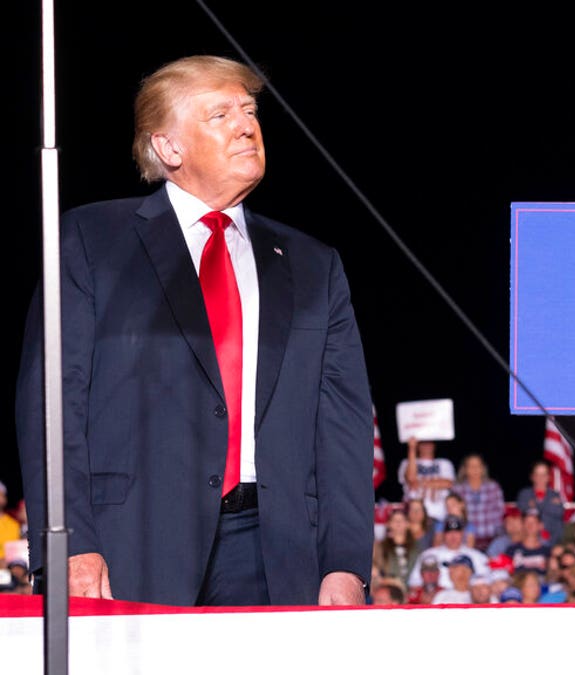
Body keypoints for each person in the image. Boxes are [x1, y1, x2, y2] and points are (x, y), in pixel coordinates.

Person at [15, 55, 374, 606]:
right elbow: (53, 404)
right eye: (220, 114)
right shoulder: (91, 241)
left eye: (250, 111)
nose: (246, 125)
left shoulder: (313, 265)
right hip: (128, 549)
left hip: (280, 559)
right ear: (169, 148)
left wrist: (346, 564)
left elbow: (344, 428)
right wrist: (70, 543)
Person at [451, 453, 506, 552]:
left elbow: (500, 514)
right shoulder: (457, 490)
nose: (475, 469)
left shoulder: (493, 487)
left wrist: (498, 538)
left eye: (477, 466)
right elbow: (454, 516)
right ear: (465, 469)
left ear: (482, 468)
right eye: (471, 466)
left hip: (491, 540)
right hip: (466, 540)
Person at [398, 437, 456, 522]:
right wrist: (412, 448)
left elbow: (448, 483)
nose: (426, 446)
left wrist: (418, 483)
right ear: (418, 445)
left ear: (434, 445)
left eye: (429, 443)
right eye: (423, 443)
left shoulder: (444, 463)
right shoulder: (406, 462)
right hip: (413, 515)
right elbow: (411, 479)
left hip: (439, 515)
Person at [514, 460, 566, 545]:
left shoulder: (555, 495)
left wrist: (536, 504)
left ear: (549, 477)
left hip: (552, 539)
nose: (540, 478)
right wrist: (548, 505)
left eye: (543, 475)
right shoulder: (525, 494)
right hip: (527, 539)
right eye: (537, 475)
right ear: (532, 477)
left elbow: (559, 514)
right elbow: (523, 512)